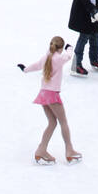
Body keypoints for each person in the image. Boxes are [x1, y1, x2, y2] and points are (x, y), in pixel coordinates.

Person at [19, 36, 81, 165]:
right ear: (60, 48)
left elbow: (36, 65)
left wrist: (25, 69)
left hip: (43, 93)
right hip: (52, 94)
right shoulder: (58, 58)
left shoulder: (47, 56)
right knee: (63, 122)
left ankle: (41, 150)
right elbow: (69, 56)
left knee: (52, 122)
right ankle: (69, 151)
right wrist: (69, 48)